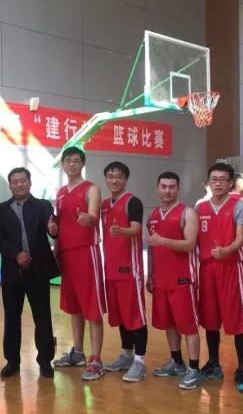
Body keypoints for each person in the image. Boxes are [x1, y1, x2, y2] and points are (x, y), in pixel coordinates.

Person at [0, 167, 57, 379]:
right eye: (15, 181)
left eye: (23, 181)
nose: (19, 184)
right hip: (12, 272)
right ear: (10, 185)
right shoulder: (1, 210)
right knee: (12, 317)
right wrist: (15, 254)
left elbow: (50, 225)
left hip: (38, 270)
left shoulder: (42, 205)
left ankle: (45, 361)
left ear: (30, 183)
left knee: (43, 317)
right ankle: (12, 361)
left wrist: (53, 229)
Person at [196, 162, 243, 394]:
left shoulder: (239, 206)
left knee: (237, 321)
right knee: (210, 319)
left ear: (230, 183)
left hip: (231, 269)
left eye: (223, 180)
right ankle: (213, 363)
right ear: (208, 182)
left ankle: (242, 368)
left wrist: (228, 250)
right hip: (207, 270)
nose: (218, 183)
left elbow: (241, 237)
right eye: (214, 179)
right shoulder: (199, 207)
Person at [52, 147, 106, 381]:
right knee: (74, 307)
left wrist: (88, 218)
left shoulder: (91, 189)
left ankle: (96, 360)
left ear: (82, 164)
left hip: (86, 253)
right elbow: (57, 225)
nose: (72, 164)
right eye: (68, 161)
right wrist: (55, 242)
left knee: (92, 308)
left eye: (76, 161)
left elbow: (93, 216)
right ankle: (78, 352)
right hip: (66, 254)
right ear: (63, 165)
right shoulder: (60, 192)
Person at [147, 172, 201, 390]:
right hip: (161, 279)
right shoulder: (153, 215)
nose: (167, 191)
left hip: (183, 279)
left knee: (188, 326)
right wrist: (150, 274)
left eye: (171, 187)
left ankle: (194, 369)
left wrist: (163, 240)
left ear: (178, 189)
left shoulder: (187, 212)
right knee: (168, 323)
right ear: (157, 188)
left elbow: (189, 244)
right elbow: (152, 248)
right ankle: (177, 362)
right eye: (164, 186)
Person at [98, 162, 148, 382]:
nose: (114, 180)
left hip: (130, 270)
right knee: (120, 316)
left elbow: (136, 229)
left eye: (118, 176)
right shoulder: (103, 205)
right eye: (110, 176)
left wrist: (122, 231)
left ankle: (140, 362)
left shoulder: (132, 201)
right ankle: (126, 355)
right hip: (110, 269)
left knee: (135, 316)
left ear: (125, 179)